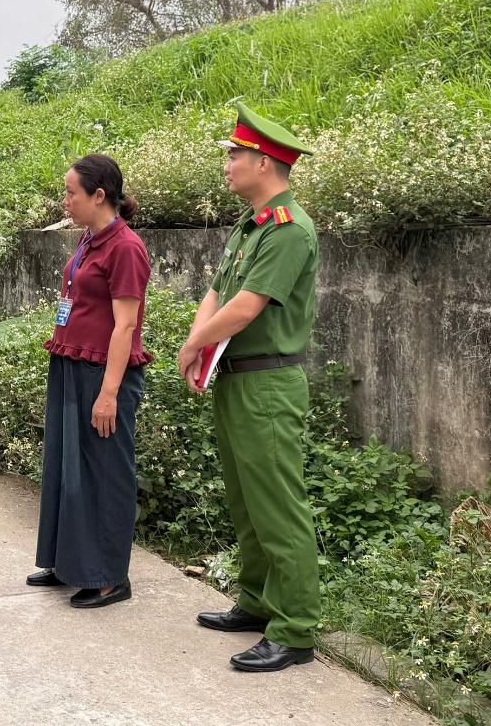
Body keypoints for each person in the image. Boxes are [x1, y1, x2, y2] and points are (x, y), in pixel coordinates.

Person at [178, 103, 320, 673]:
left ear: (263, 162)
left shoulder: (289, 230)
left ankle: (296, 627)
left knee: (278, 507)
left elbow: (246, 307)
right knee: (246, 503)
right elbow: (216, 294)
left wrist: (194, 346)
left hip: (268, 383)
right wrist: (198, 343)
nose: (229, 163)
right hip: (234, 379)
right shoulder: (251, 225)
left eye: (236, 155)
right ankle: (259, 602)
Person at [29, 155, 152, 609]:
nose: (65, 201)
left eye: (70, 193)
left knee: (103, 474)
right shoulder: (91, 238)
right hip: (71, 365)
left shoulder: (125, 248)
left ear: (99, 196)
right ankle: (69, 563)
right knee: (67, 468)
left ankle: (107, 577)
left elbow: (125, 327)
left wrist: (109, 394)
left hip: (104, 374)